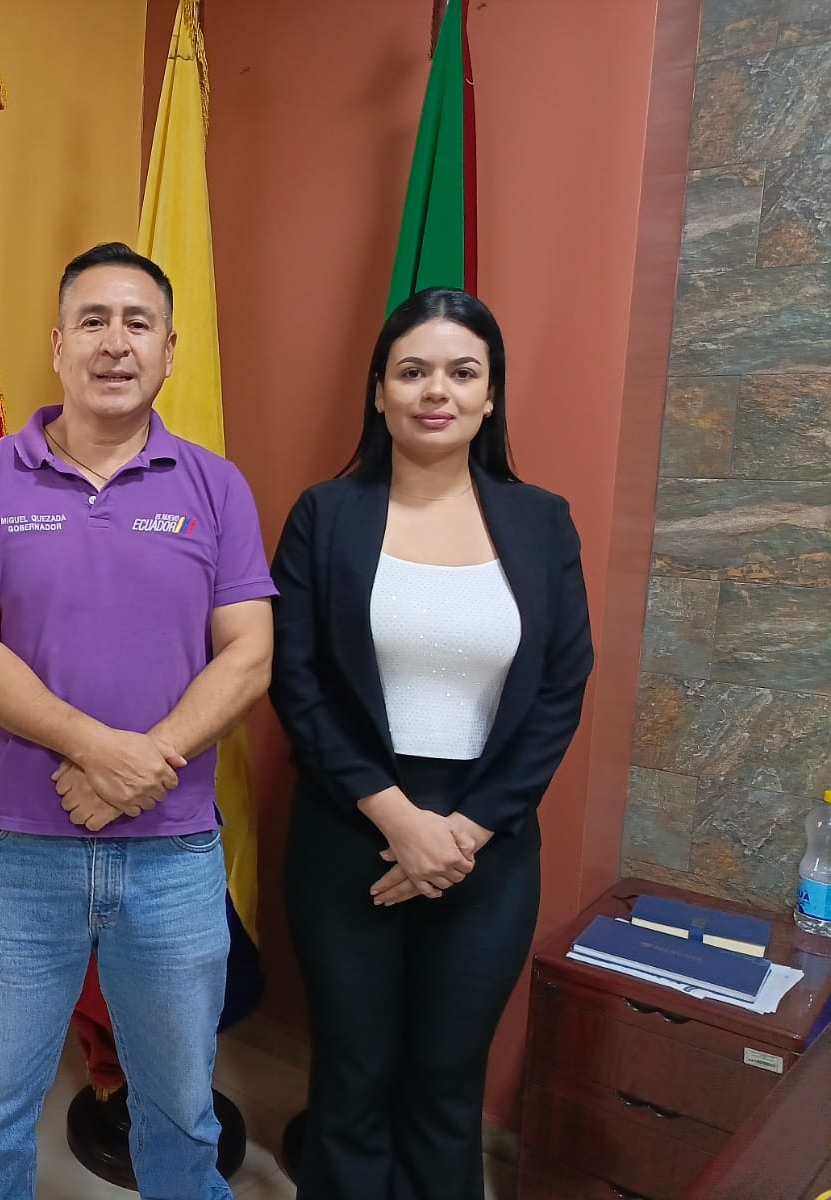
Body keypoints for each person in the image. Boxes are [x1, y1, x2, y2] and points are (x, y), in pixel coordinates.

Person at [0, 242, 275, 1200]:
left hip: (173, 855)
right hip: (14, 852)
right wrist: (96, 749)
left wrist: (141, 765)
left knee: (181, 1114)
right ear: (57, 345)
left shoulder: (216, 485)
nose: (115, 343)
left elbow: (250, 654)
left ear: (169, 350)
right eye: (93, 321)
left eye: (138, 323)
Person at [269, 287, 593, 1200]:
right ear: (379, 392)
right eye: (412, 371)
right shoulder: (326, 514)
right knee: (352, 1077)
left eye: (462, 372)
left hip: (487, 841)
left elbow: (562, 685)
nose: (435, 391)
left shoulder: (541, 522)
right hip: (350, 825)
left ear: (491, 395)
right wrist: (397, 818)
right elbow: (296, 679)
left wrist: (464, 831)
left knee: (448, 1089)